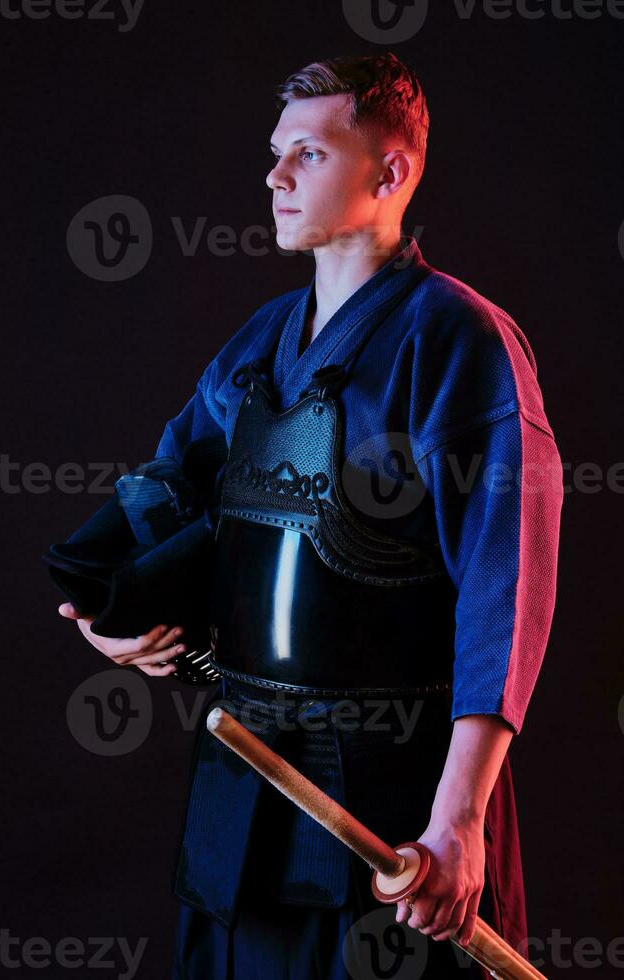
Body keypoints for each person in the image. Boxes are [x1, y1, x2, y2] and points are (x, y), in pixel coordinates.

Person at [60, 53, 564, 979]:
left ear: (390, 172)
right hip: (246, 783)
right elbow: (170, 485)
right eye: (274, 152)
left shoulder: (460, 344)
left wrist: (458, 818)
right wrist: (110, 614)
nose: (275, 176)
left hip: (396, 804)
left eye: (308, 152)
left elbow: (508, 589)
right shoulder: (261, 343)